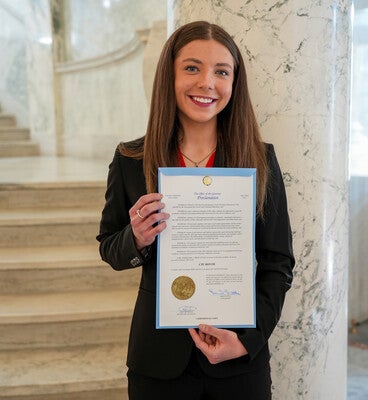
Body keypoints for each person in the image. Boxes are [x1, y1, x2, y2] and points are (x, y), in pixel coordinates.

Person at [97, 20, 295, 400]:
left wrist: (247, 340)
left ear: (234, 84)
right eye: (192, 67)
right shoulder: (130, 159)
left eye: (222, 71)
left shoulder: (259, 159)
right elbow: (110, 248)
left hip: (239, 360)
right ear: (168, 76)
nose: (207, 83)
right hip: (158, 361)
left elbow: (277, 261)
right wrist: (135, 238)